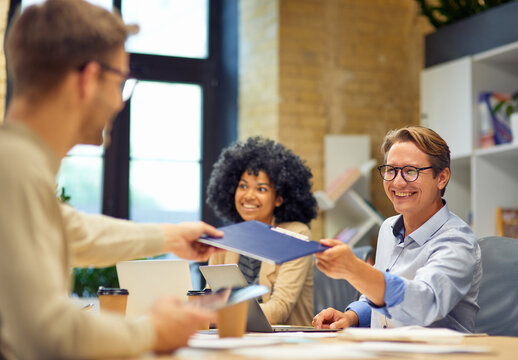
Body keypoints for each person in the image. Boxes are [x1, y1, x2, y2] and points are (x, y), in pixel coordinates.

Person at [0, 1, 224, 359]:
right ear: (88, 79)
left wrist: (170, 236)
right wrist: (153, 330)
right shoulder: (15, 170)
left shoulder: (16, 164)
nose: (120, 102)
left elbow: (74, 230)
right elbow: (46, 335)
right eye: (121, 81)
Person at [312, 126, 482, 332]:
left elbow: (424, 303)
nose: (398, 182)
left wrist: (355, 270)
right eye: (391, 170)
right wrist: (352, 316)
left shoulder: (457, 241)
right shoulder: (388, 228)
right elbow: (380, 297)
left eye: (411, 171)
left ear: (441, 178)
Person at [205, 137, 318, 325]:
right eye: (242, 186)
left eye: (261, 189)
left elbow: (278, 311)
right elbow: (209, 298)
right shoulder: (225, 239)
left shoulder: (296, 236)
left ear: (279, 198)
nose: (249, 195)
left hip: (286, 345)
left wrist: (217, 312)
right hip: (234, 337)